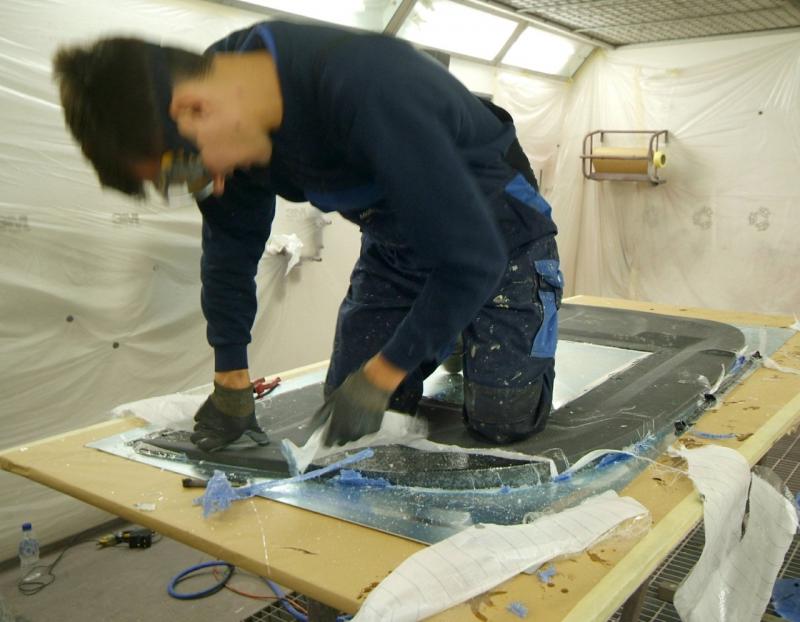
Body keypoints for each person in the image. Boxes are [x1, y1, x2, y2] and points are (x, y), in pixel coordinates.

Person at [52, 20, 563, 452]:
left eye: (182, 172)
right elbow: (229, 251)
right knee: (349, 418)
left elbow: (473, 259)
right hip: (397, 242)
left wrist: (381, 375)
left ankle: (476, 323)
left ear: (193, 108)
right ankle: (451, 326)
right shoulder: (226, 113)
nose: (210, 185)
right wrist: (231, 380)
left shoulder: (366, 84)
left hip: (499, 234)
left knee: (502, 419)